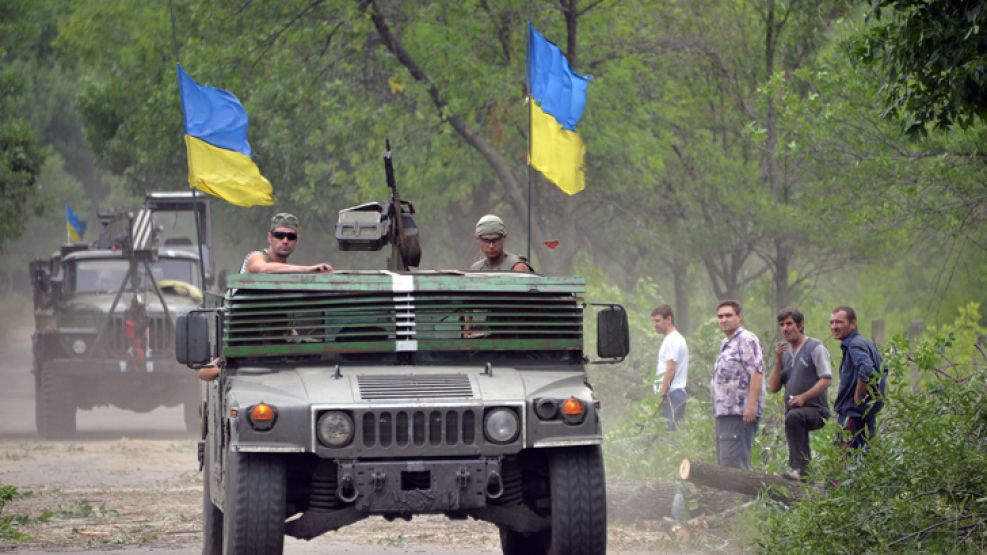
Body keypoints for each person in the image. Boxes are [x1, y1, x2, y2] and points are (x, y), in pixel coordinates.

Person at [768, 307, 832, 480]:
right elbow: (773, 388)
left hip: (817, 410)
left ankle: (799, 469)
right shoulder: (786, 355)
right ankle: (804, 472)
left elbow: (826, 379)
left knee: (794, 417)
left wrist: (804, 397)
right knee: (793, 417)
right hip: (795, 412)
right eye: (782, 325)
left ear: (801, 325)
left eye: (789, 324)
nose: (785, 329)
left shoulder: (815, 347)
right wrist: (778, 361)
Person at [711, 300, 765, 470]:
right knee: (726, 463)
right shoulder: (726, 343)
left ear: (739, 317)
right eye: (720, 316)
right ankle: (729, 497)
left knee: (734, 465)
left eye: (728, 315)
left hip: (739, 413)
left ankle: (740, 498)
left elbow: (756, 372)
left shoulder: (746, 340)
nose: (724, 319)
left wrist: (750, 406)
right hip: (725, 412)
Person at [830, 306, 885, 449]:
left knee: (846, 460)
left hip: (853, 415)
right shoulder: (865, 342)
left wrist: (858, 396)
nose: (834, 326)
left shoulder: (854, 344)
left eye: (839, 322)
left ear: (853, 324)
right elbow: (884, 369)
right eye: (832, 322)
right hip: (865, 416)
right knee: (865, 459)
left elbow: (866, 369)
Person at [241, 212, 333, 274]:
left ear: (296, 240)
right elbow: (262, 268)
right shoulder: (257, 256)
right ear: (270, 237)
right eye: (279, 235)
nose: (285, 241)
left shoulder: (287, 269)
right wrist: (308, 269)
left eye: (291, 236)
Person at [651, 304, 689, 431]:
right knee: (666, 435)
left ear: (668, 319)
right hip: (672, 394)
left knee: (667, 438)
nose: (654, 325)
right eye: (653, 321)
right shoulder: (672, 339)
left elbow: (671, 369)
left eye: (657, 321)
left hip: (671, 394)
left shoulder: (673, 339)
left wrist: (661, 393)